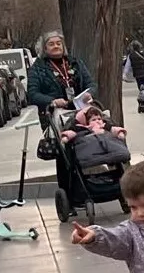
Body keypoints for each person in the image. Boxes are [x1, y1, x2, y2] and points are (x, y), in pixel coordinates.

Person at [26, 30, 96, 211]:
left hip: (79, 111)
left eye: (59, 43)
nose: (56, 46)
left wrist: (88, 93)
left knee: (85, 146)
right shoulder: (39, 68)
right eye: (51, 44)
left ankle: (89, 190)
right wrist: (50, 101)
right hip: (55, 115)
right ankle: (70, 198)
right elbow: (32, 94)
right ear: (44, 48)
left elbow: (90, 83)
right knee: (65, 155)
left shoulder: (74, 62)